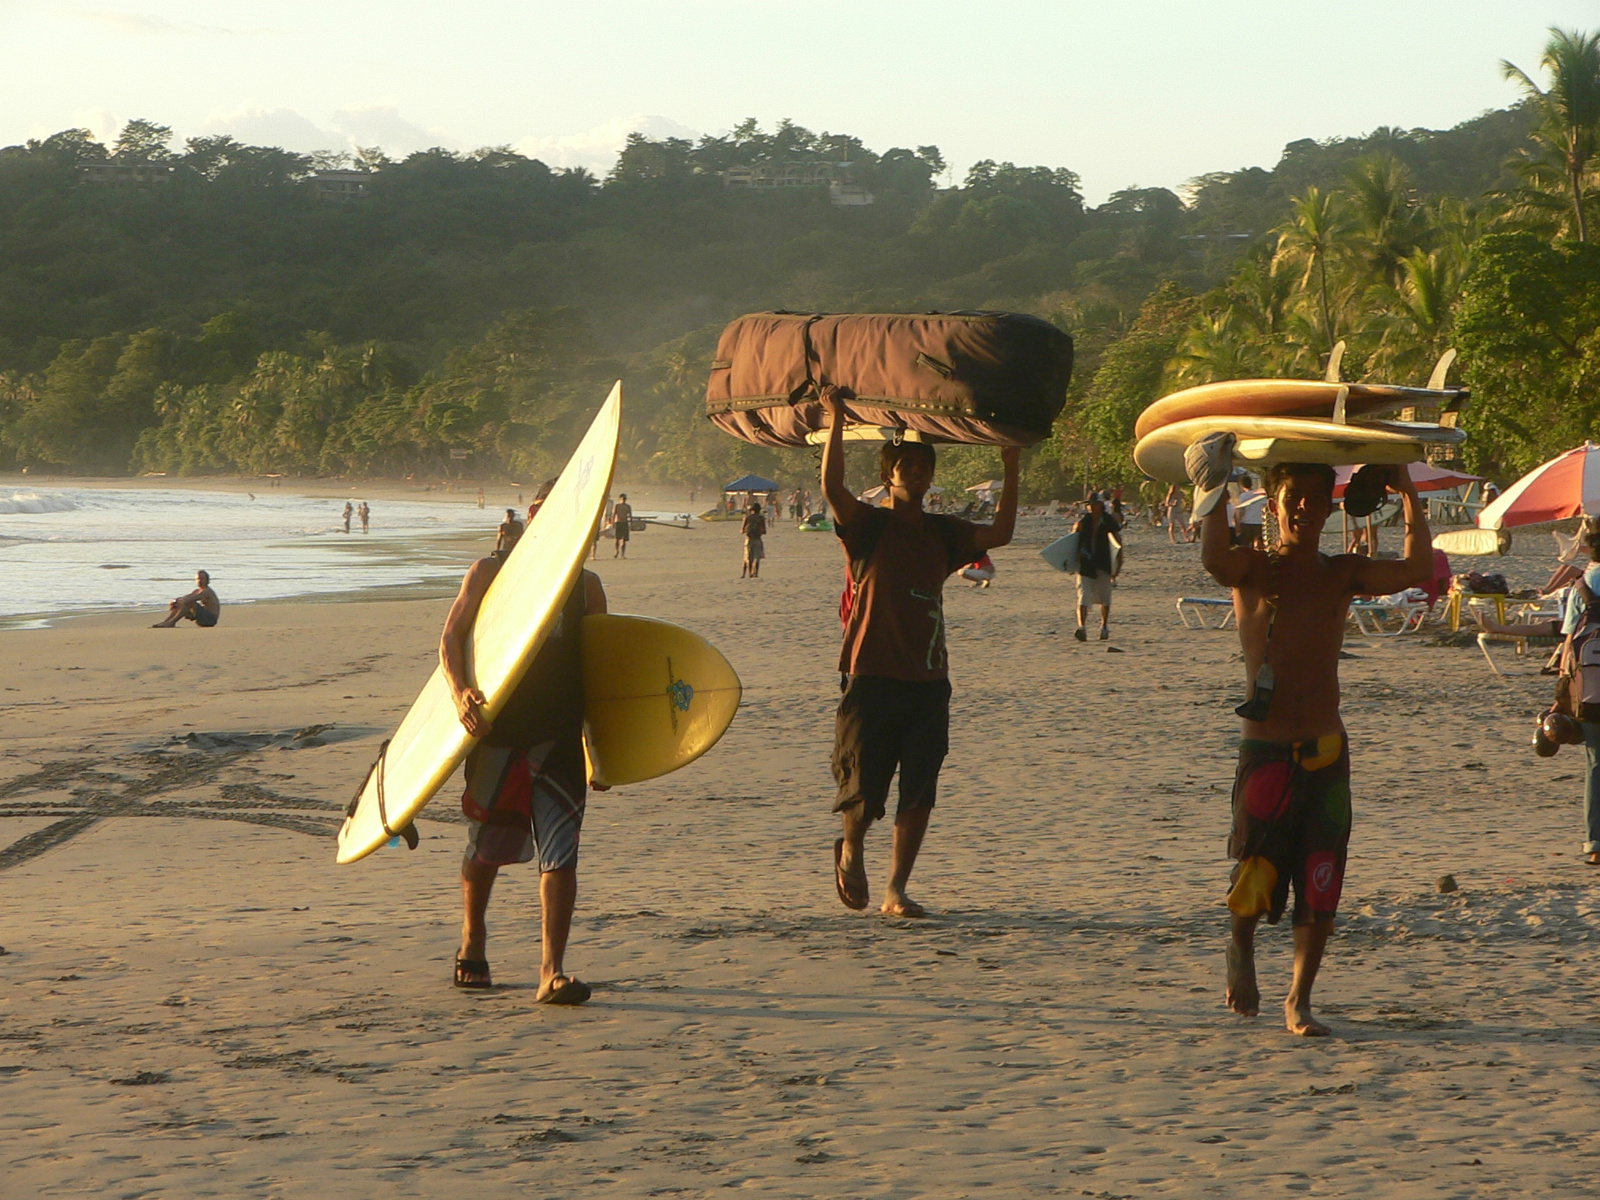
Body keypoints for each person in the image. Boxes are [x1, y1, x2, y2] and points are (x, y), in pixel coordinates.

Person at [1195, 444, 1432, 1036]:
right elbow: (1214, 559)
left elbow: (1416, 570)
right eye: (1291, 498)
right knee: (1256, 870)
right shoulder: (1252, 570)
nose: (1303, 508)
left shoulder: (1340, 573)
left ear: (1329, 508)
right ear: (1273, 505)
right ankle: (1240, 948)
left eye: (1313, 500)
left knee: (1322, 877)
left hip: (1327, 751)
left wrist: (1405, 489)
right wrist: (1213, 487)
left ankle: (1299, 999)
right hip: (1267, 750)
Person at [820, 385, 1019, 918]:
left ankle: (896, 891)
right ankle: (853, 851)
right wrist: (835, 418)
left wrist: (1011, 462)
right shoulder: (867, 526)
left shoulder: (943, 533)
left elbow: (1001, 531)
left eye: (923, 467)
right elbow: (832, 485)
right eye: (905, 465)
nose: (916, 473)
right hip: (870, 674)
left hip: (929, 679)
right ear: (888, 474)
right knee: (863, 787)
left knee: (920, 790)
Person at [441, 481, 607, 1002]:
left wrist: (602, 748)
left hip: (559, 736)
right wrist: (462, 692)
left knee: (562, 854)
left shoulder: (587, 586)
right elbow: (451, 637)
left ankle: (550, 970)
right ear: (534, 512)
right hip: (499, 735)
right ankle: (474, 936)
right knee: (487, 847)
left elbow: (604, 672)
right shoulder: (490, 572)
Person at [1072, 493, 1121, 641]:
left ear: (1100, 505)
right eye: (1089, 504)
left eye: (1094, 504)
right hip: (1085, 564)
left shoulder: (1108, 522)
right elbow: (1073, 543)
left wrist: (1117, 566)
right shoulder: (1082, 522)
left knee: (1105, 599)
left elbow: (1117, 544)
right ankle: (1082, 628)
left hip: (1103, 563)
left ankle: (1104, 626)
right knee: (1083, 597)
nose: (1091, 507)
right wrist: (1070, 563)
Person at [153, 570, 221, 628]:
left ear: (207, 580)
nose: (200, 581)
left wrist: (178, 601)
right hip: (202, 619)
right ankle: (167, 622)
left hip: (210, 620)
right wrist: (175, 602)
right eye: (198, 579)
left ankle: (172, 622)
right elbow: (185, 598)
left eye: (202, 578)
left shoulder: (207, 591)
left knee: (190, 602)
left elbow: (188, 600)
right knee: (180, 604)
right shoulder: (197, 591)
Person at [741, 502, 767, 579]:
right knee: (757, 557)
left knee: (748, 557)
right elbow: (764, 531)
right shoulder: (761, 518)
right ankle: (755, 573)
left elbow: (742, 530)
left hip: (749, 539)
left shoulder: (748, 518)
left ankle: (749, 573)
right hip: (757, 539)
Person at [611, 494, 632, 558]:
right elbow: (613, 515)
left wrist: (631, 523)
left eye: (625, 499)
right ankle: (617, 550)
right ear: (620, 499)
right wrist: (613, 523)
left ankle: (623, 554)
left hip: (625, 523)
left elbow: (630, 515)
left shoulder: (627, 506)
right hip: (618, 523)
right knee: (617, 539)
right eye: (623, 499)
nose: (624, 500)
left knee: (624, 539)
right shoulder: (617, 506)